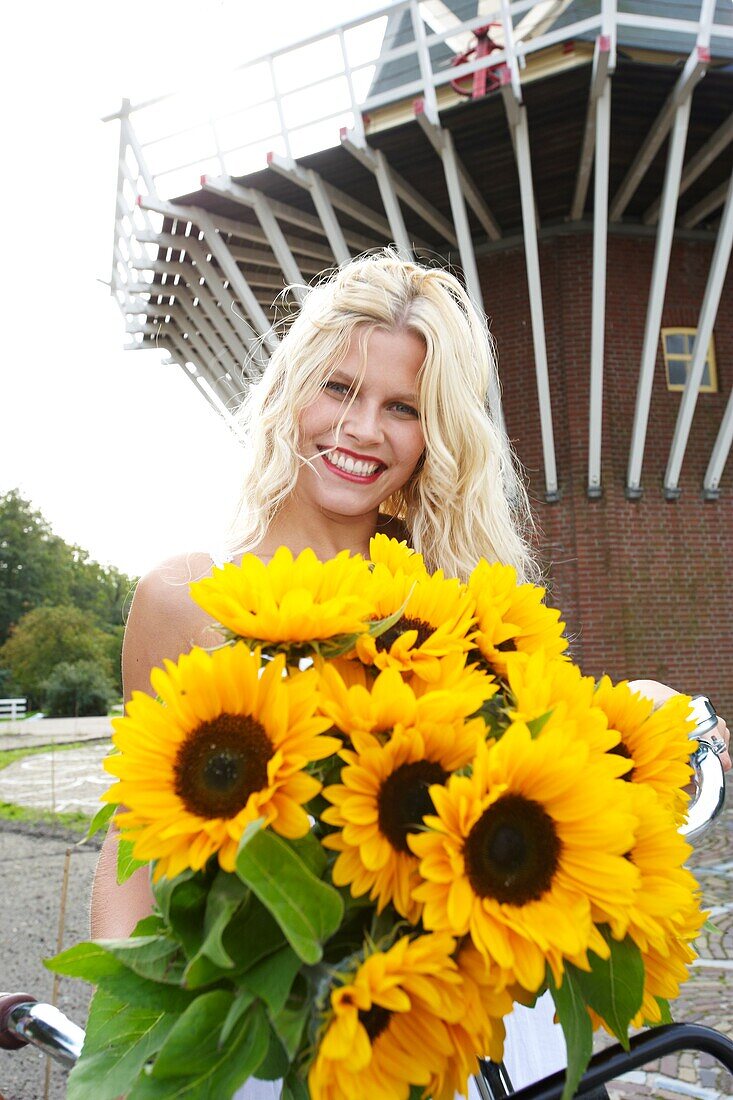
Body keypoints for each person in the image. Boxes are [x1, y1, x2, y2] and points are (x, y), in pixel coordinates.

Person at [90, 250, 730, 1098]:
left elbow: (537, 769)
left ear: (436, 437)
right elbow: (137, 838)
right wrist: (126, 1034)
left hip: (468, 1030)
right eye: (339, 390)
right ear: (290, 391)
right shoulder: (185, 600)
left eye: (403, 408)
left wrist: (639, 721)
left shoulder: (457, 608)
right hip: (296, 1033)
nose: (361, 431)